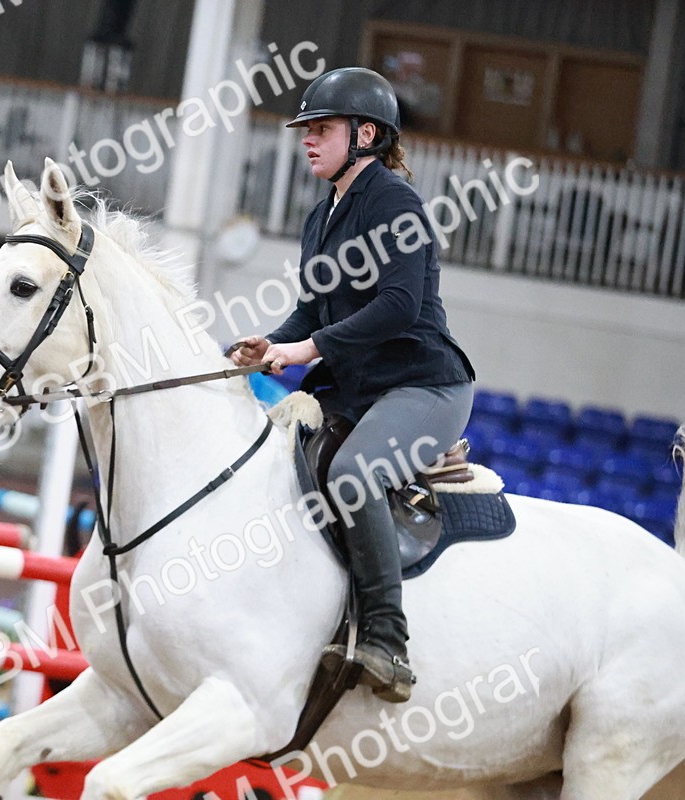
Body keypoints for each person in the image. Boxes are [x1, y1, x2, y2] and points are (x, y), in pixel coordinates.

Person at [230, 67, 475, 702]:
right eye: (304, 130)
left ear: (366, 134)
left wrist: (303, 349)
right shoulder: (321, 217)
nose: (307, 140)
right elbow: (315, 309)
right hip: (360, 388)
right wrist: (271, 345)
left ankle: (388, 641)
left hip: (425, 384)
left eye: (321, 129)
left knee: (356, 471)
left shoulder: (394, 201)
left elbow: (397, 305)